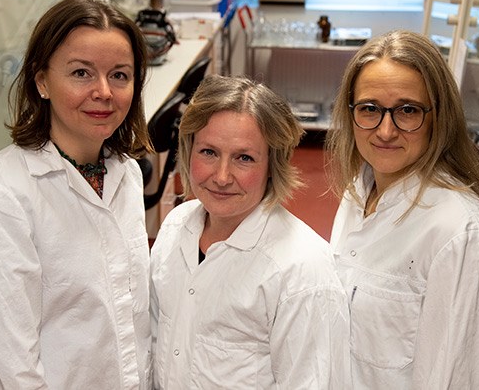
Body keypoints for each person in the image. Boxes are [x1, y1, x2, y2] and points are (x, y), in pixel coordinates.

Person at [0, 0, 154, 389]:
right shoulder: (2, 198)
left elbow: (130, 319)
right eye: (81, 73)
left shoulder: (123, 172)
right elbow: (7, 369)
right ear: (42, 80)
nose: (104, 92)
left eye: (120, 75)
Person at [325, 29, 479, 389]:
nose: (385, 131)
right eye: (369, 109)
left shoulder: (461, 239)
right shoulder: (359, 189)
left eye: (407, 111)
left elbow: (454, 381)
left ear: (438, 117)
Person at [150, 74, 350, 389]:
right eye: (208, 152)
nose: (222, 176)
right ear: (188, 150)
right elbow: (156, 338)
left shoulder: (302, 272)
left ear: (273, 165)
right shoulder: (177, 226)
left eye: (244, 158)